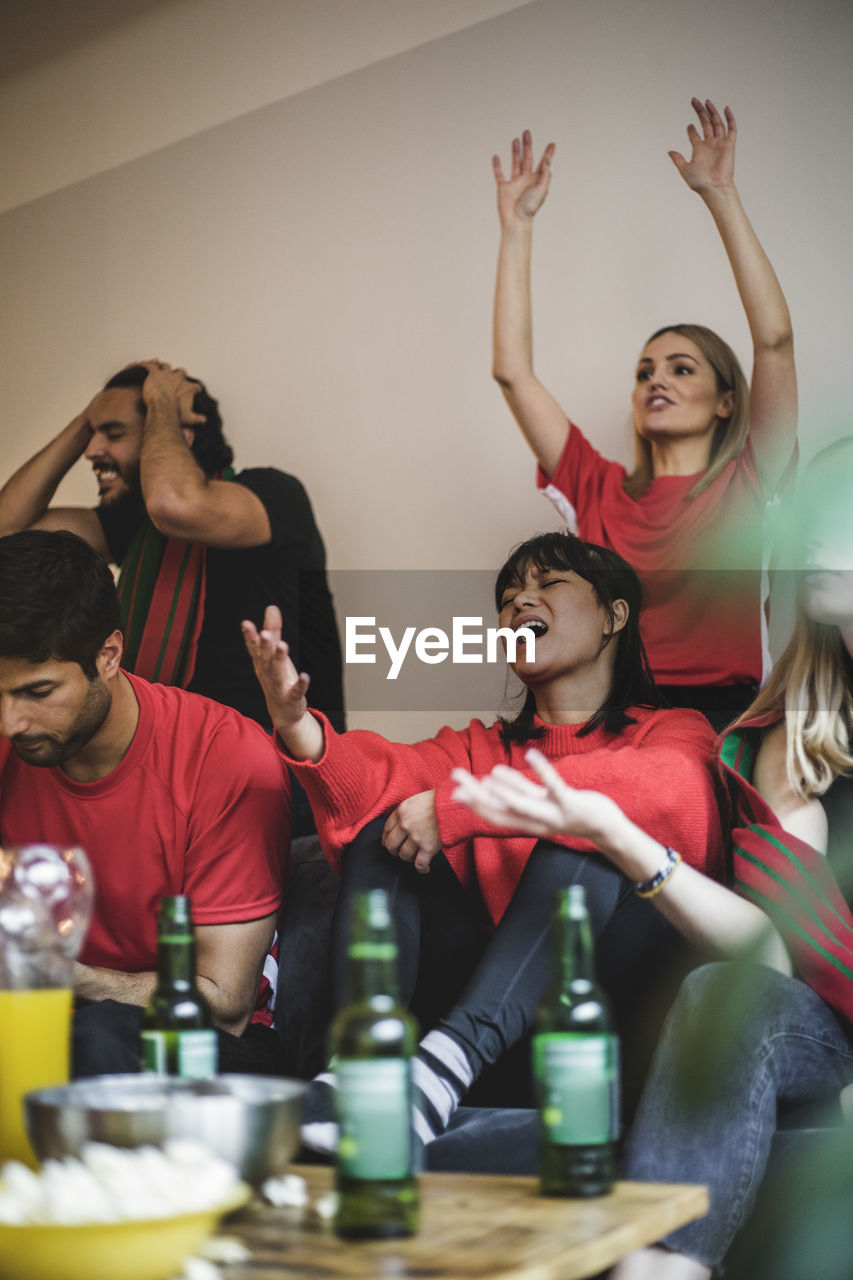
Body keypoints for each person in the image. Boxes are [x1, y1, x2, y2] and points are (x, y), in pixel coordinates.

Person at [458, 443, 853, 1276]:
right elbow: (774, 956)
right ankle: (658, 1268)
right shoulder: (794, 744)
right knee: (721, 994)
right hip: (829, 1024)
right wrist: (621, 839)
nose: (809, 539)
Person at [243, 529, 726, 1148]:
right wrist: (298, 725)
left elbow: (674, 791)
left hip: (605, 1021)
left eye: (548, 584)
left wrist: (457, 810)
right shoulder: (478, 750)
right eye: (509, 597)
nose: (521, 603)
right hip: (493, 1033)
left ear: (614, 616)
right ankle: (363, 1072)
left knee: (587, 835)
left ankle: (442, 1069)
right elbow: (371, 782)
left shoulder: (673, 731)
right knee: (381, 834)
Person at [492, 99, 798, 728]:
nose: (656, 379)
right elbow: (512, 373)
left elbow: (774, 342)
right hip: (615, 719)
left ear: (726, 401)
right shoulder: (596, 487)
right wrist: (516, 229)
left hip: (727, 718)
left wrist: (720, 193)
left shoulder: (753, 477)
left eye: (682, 368)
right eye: (644, 372)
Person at [0, 529, 291, 1074]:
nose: (10, 723)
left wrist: (59, 973)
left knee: (97, 1038)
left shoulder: (226, 758)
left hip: (198, 1040)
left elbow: (223, 1002)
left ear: (108, 655)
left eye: (37, 693)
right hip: (32, 1018)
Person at [0, 361, 345, 742]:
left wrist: (161, 398)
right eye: (92, 436)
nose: (92, 451)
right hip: (172, 763)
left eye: (112, 433)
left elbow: (174, 505)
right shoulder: (135, 527)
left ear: (180, 433)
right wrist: (87, 419)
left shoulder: (274, 496)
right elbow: (9, 530)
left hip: (287, 765)